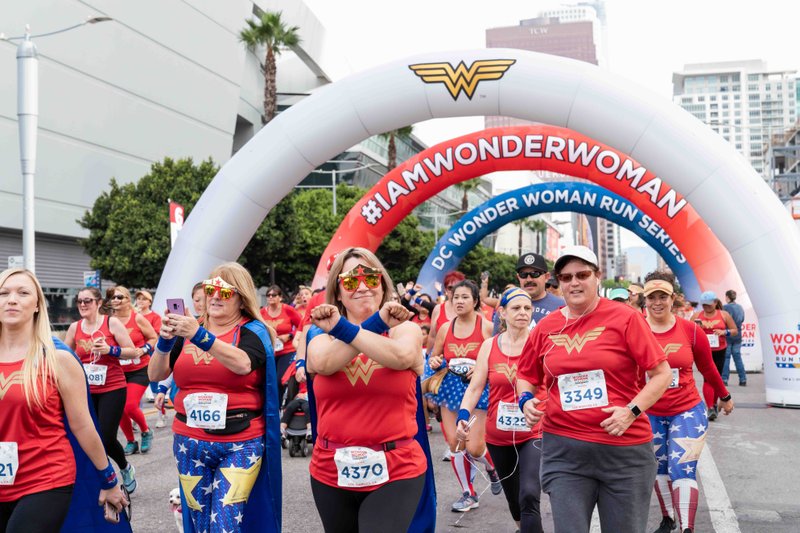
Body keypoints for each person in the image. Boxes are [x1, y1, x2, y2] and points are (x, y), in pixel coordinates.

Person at [516, 245, 672, 533]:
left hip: (624, 452)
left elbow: (661, 374)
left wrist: (630, 411)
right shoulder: (546, 327)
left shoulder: (625, 317)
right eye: (565, 277)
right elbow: (525, 374)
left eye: (582, 274)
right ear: (558, 282)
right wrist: (525, 399)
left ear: (598, 276)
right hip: (565, 451)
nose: (574, 282)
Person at [149, 263, 281, 533]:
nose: (216, 296)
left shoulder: (252, 331)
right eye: (211, 289)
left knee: (223, 525)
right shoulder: (188, 329)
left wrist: (198, 335)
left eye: (226, 291)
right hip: (189, 441)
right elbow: (155, 372)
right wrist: (165, 340)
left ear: (241, 298)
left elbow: (243, 364)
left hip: (240, 443)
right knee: (198, 525)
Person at [305, 247, 429, 532]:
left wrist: (348, 327)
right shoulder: (319, 336)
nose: (362, 287)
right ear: (337, 292)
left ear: (382, 284)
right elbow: (323, 363)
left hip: (396, 468)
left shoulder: (403, 330)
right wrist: (375, 323)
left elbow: (402, 357)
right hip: (331, 470)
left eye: (371, 279)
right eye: (350, 281)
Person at [0, 269, 128, 532]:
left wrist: (109, 480)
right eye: (4, 293)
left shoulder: (58, 359)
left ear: (37, 305)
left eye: (23, 293)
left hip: (46, 479)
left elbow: (82, 426)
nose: (11, 299)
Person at [641, 273, 733, 533]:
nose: (657, 302)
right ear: (645, 300)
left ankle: (687, 529)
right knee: (658, 468)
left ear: (673, 298)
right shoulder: (635, 329)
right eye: (651, 297)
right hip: (650, 414)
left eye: (663, 297)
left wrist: (724, 396)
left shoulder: (691, 331)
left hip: (687, 410)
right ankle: (668, 518)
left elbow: (708, 368)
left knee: (681, 467)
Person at [456, 287, 545, 532]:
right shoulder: (489, 346)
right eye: (516, 308)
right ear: (502, 312)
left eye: (528, 308)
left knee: (529, 495)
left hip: (534, 433)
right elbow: (475, 389)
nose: (523, 313)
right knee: (515, 501)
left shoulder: (541, 342)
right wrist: (463, 416)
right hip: (497, 437)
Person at [427, 279, 499, 512]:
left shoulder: (487, 327)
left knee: (476, 447)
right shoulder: (446, 328)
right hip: (450, 391)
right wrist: (435, 361)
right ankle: (468, 493)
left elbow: (498, 359)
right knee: (455, 443)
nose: (459, 301)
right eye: (455, 297)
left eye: (465, 297)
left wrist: (480, 368)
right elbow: (434, 357)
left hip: (478, 391)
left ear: (476, 301)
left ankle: (491, 467)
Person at [64, 287, 138, 494]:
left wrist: (110, 350)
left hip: (112, 387)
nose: (83, 305)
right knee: (85, 436)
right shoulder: (74, 328)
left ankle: (124, 468)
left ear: (98, 303)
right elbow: (63, 356)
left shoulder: (111, 323)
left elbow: (132, 351)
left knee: (104, 436)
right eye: (79, 301)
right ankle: (98, 477)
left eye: (87, 301)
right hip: (84, 391)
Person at [108, 286, 158, 455]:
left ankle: (145, 431)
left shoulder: (137, 319)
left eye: (119, 297)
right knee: (119, 408)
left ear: (128, 300)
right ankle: (131, 441)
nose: (115, 300)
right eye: (112, 297)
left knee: (129, 405)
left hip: (140, 369)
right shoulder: (109, 321)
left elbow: (153, 337)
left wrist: (144, 349)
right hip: (118, 370)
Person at [692, 291, 738, 421]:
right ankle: (711, 407)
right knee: (707, 378)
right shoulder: (696, 315)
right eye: (704, 305)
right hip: (703, 351)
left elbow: (735, 331)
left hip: (719, 350)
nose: (706, 307)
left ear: (715, 303)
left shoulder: (724, 315)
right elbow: (688, 331)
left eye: (708, 305)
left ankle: (713, 405)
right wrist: (696, 329)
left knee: (715, 377)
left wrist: (724, 332)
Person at [260, 284, 302, 406]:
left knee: (279, 380)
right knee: (268, 380)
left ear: (280, 297)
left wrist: (290, 335)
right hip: (269, 351)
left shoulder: (288, 310)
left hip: (286, 351)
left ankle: (280, 406)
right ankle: (271, 406)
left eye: (273, 295)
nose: (270, 297)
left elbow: (301, 326)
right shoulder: (262, 312)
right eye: (268, 295)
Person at [503, 252, 563, 335]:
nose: (529, 279)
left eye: (535, 274)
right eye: (523, 274)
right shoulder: (506, 305)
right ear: (518, 277)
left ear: (546, 277)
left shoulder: (562, 307)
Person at [426, 271, 465, 350]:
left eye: (457, 287)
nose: (454, 291)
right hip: (439, 357)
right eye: (450, 288)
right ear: (446, 290)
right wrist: (427, 356)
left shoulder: (472, 309)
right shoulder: (438, 309)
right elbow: (432, 336)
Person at [722, 290, 746, 386]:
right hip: (738, 335)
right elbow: (742, 319)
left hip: (728, 335)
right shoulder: (740, 307)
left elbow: (723, 321)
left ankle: (724, 379)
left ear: (727, 297)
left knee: (726, 358)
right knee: (738, 358)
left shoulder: (725, 308)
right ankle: (743, 379)